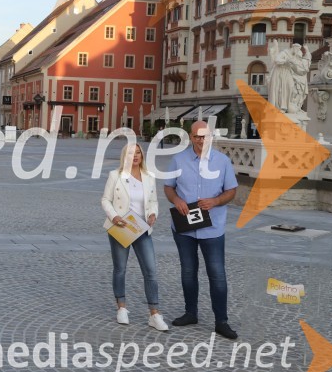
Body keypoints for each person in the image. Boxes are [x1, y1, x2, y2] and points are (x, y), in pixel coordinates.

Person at [164, 120, 239, 339]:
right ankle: (190, 313)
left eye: (204, 136)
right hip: (184, 227)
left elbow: (232, 190)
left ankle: (221, 321)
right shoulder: (178, 159)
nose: (201, 140)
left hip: (212, 228)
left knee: (217, 274)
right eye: (197, 136)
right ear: (191, 137)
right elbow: (168, 187)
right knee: (188, 271)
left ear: (210, 137)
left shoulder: (222, 161)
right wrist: (176, 200)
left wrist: (216, 201)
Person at [101, 143, 168, 331]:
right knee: (120, 269)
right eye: (131, 153)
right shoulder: (116, 176)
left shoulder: (149, 177)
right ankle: (121, 307)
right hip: (121, 226)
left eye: (138, 152)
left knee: (151, 271)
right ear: (125, 156)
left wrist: (153, 213)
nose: (135, 155)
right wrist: (114, 216)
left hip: (142, 228)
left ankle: (154, 314)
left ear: (142, 155)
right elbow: (105, 199)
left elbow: (153, 202)